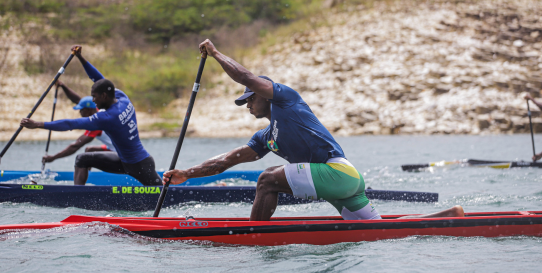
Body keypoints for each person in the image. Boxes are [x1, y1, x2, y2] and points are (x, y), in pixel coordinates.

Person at [162, 40, 465, 221]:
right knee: (376, 229)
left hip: (340, 174)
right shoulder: (266, 138)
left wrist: (216, 54)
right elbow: (227, 160)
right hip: (345, 183)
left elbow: (247, 76)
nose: (247, 105)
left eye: (249, 99)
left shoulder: (285, 99)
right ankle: (449, 217)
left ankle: (253, 236)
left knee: (267, 179)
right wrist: (186, 173)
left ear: (264, 95)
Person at [20, 45, 161, 186]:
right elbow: (98, 79)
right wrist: (80, 57)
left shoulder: (107, 118)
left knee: (163, 196)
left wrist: (38, 124)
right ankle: (78, 196)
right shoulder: (121, 96)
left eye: (94, 97)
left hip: (140, 165)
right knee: (83, 159)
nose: (93, 101)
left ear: (104, 96)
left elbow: (71, 124)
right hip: (124, 161)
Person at [41, 80, 115, 165]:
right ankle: (88, 175)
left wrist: (53, 157)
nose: (80, 112)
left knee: (84, 158)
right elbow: (77, 99)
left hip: (118, 152)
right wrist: (63, 86)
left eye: (81, 110)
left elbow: (75, 146)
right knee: (89, 150)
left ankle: (87, 176)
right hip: (111, 146)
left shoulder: (97, 125)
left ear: (88, 111)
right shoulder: (97, 110)